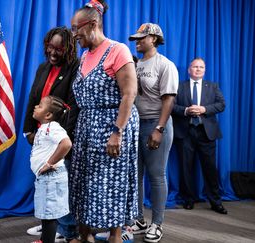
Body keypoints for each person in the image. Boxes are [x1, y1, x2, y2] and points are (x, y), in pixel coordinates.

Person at [69, 0, 139, 242]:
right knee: (84, 181)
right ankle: (85, 234)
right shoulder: (84, 56)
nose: (74, 34)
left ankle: (115, 235)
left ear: (93, 24)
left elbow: (129, 94)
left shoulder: (117, 50)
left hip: (113, 124)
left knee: (111, 183)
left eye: (76, 28)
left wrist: (117, 132)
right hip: (87, 125)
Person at [23, 27, 80, 243]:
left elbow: (74, 106)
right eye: (50, 47)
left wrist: (65, 136)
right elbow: (33, 98)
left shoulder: (75, 67)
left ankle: (66, 230)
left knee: (58, 185)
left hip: (59, 136)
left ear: (68, 49)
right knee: (44, 182)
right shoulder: (42, 67)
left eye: (58, 49)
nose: (53, 53)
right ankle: (50, 223)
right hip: (40, 134)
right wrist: (29, 129)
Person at [128, 23, 179, 243]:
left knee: (157, 176)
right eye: (136, 38)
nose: (137, 41)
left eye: (142, 37)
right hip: (136, 124)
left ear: (154, 39)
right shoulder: (135, 63)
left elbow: (169, 99)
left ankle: (157, 224)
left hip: (156, 124)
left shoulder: (165, 65)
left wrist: (159, 129)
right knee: (135, 176)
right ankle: (138, 219)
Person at [172, 58, 227, 214]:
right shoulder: (179, 86)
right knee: (185, 168)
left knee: (210, 169)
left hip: (206, 133)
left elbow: (221, 104)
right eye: (195, 66)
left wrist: (204, 109)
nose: (198, 69)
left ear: (204, 70)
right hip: (185, 132)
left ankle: (216, 201)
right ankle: (188, 199)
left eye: (201, 67)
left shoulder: (213, 86)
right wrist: (186, 111)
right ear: (189, 69)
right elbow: (171, 106)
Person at [30, 95, 73, 243]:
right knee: (45, 212)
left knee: (49, 215)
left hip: (51, 178)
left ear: (48, 115)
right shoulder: (45, 128)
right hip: (46, 179)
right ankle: (44, 239)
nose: (36, 107)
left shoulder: (53, 127)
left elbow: (66, 144)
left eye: (40, 106)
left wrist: (49, 163)